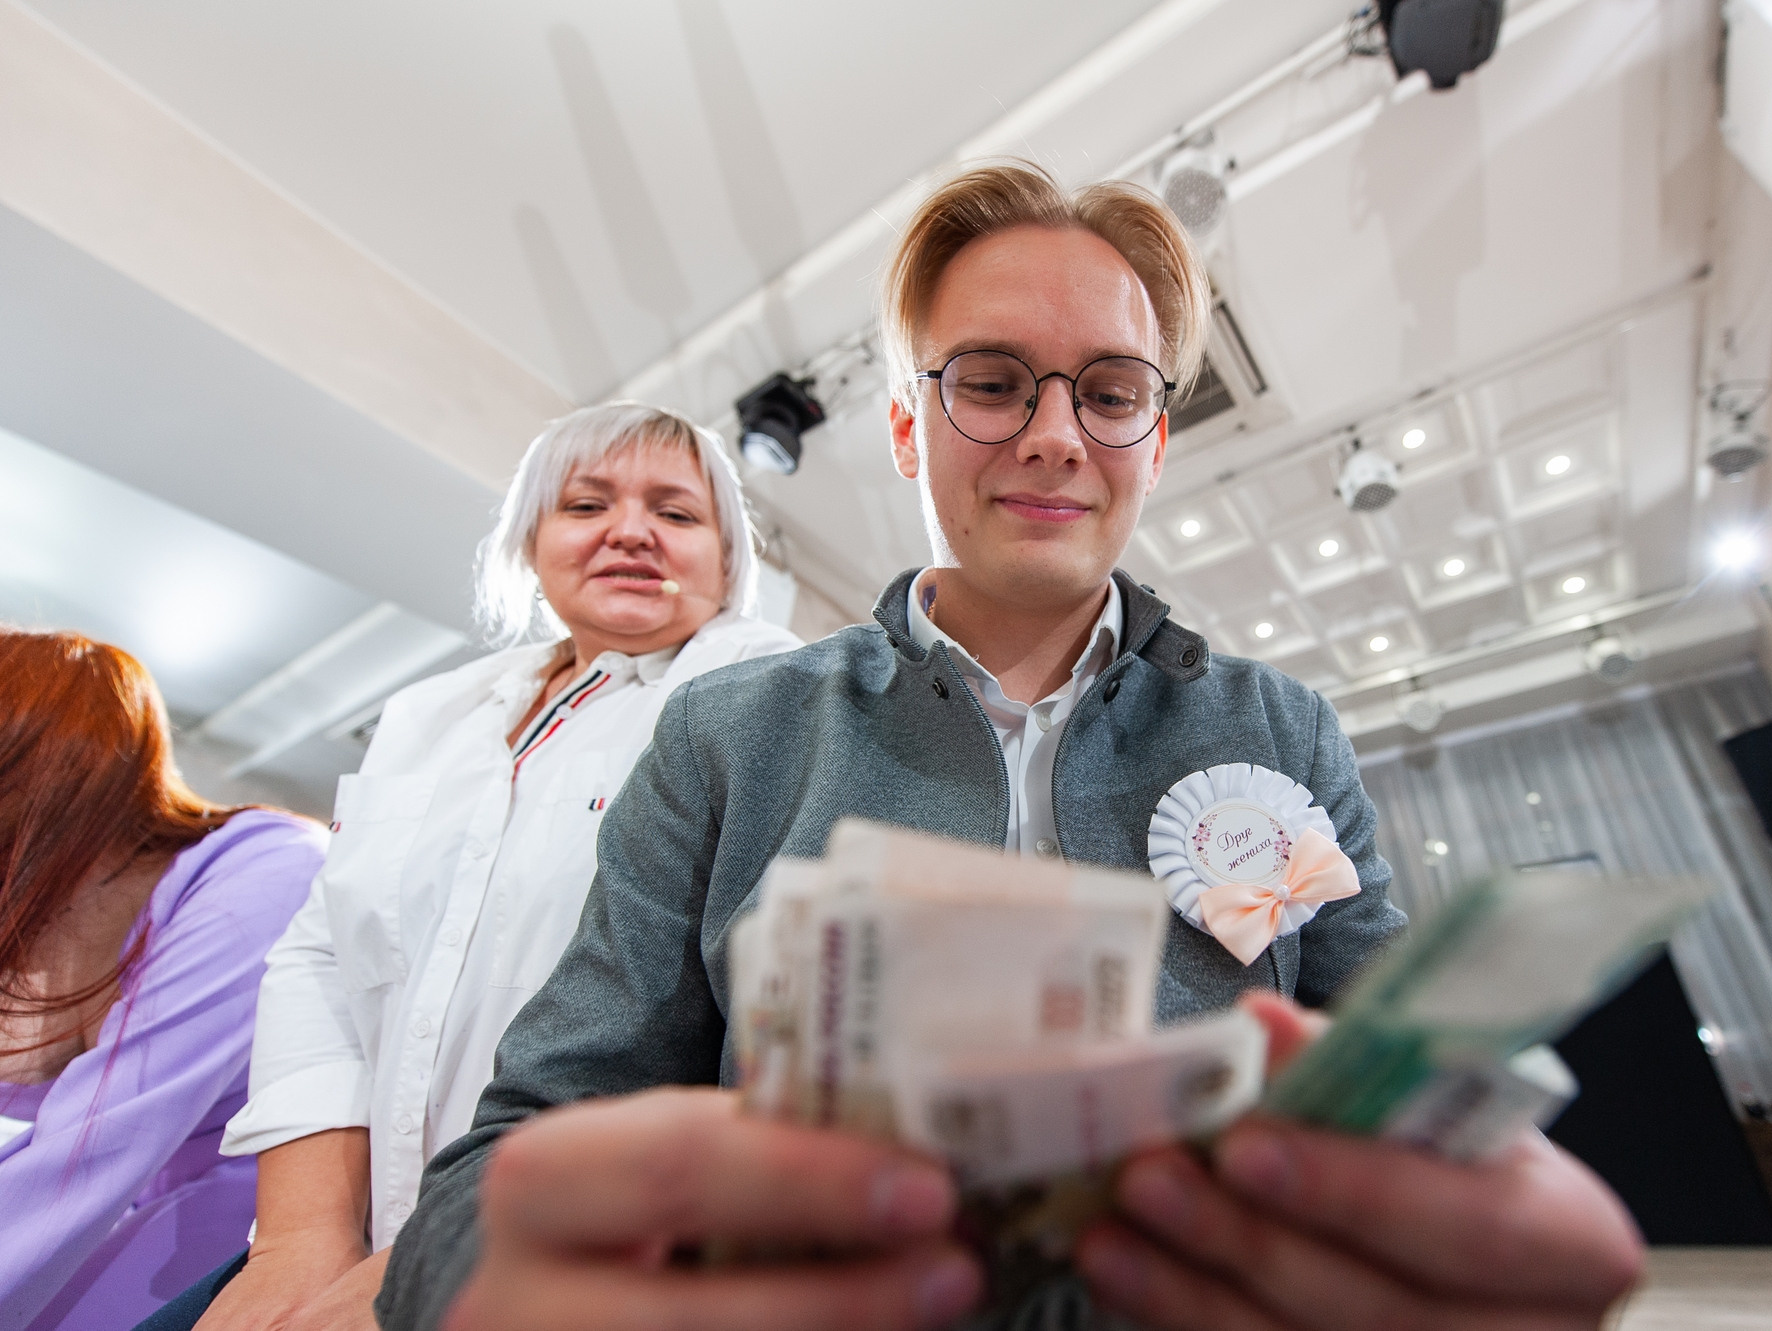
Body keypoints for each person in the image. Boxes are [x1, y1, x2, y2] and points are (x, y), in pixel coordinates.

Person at [375, 163, 1645, 1331]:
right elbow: (520, 1140)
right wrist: (477, 1280)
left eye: (1107, 391)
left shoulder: (1279, 729)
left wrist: (1460, 1198)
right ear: (903, 427)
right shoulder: (729, 732)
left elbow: (1390, 1072)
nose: (1053, 435)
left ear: (1152, 437)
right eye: (989, 381)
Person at [184, 405, 802, 1331]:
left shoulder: (764, 698)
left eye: (676, 514)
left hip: (574, 1250)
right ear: (531, 539)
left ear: (728, 561)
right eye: (587, 503)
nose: (630, 530)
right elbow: (319, 962)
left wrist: (440, 1247)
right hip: (348, 1230)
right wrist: (298, 1241)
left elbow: (701, 1019)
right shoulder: (428, 715)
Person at [0, 630, 325, 1331]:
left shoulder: (265, 871)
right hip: (165, 1224)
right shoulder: (54, 925)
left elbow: (93, 1149)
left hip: (269, 1228)